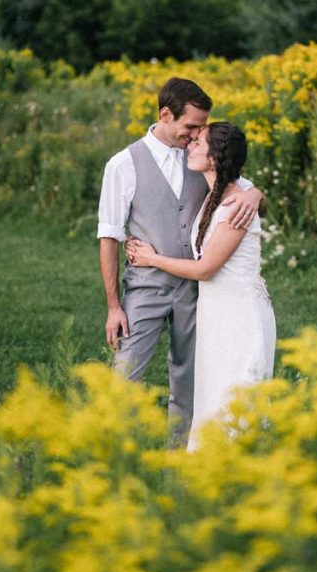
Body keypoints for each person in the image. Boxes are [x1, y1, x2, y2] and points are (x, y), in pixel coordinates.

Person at [97, 77, 264, 448]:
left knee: (188, 382)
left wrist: (256, 196)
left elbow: (242, 188)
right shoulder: (123, 164)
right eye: (190, 127)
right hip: (144, 288)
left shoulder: (201, 160)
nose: (194, 136)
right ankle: (111, 456)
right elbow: (108, 235)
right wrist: (113, 306)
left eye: (199, 130)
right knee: (125, 375)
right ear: (165, 115)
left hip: (197, 292)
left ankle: (181, 462)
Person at [126, 122, 275, 451]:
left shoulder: (235, 206)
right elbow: (255, 194)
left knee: (237, 400)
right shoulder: (218, 193)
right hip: (217, 315)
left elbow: (206, 269)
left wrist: (153, 259)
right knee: (213, 395)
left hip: (240, 317)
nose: (190, 145)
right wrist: (256, 193)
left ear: (215, 157)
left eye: (198, 142)